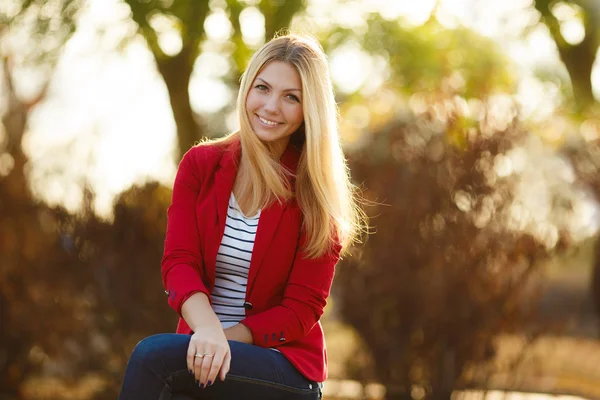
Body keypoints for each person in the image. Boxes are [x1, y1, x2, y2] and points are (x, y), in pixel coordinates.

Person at [118, 32, 365, 400]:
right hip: (204, 344)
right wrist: (206, 332)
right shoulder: (200, 166)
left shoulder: (314, 192)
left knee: (152, 358)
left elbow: (301, 310)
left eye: (291, 97)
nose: (270, 106)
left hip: (280, 362)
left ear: (308, 110)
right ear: (247, 89)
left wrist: (222, 339)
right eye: (262, 88)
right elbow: (179, 263)